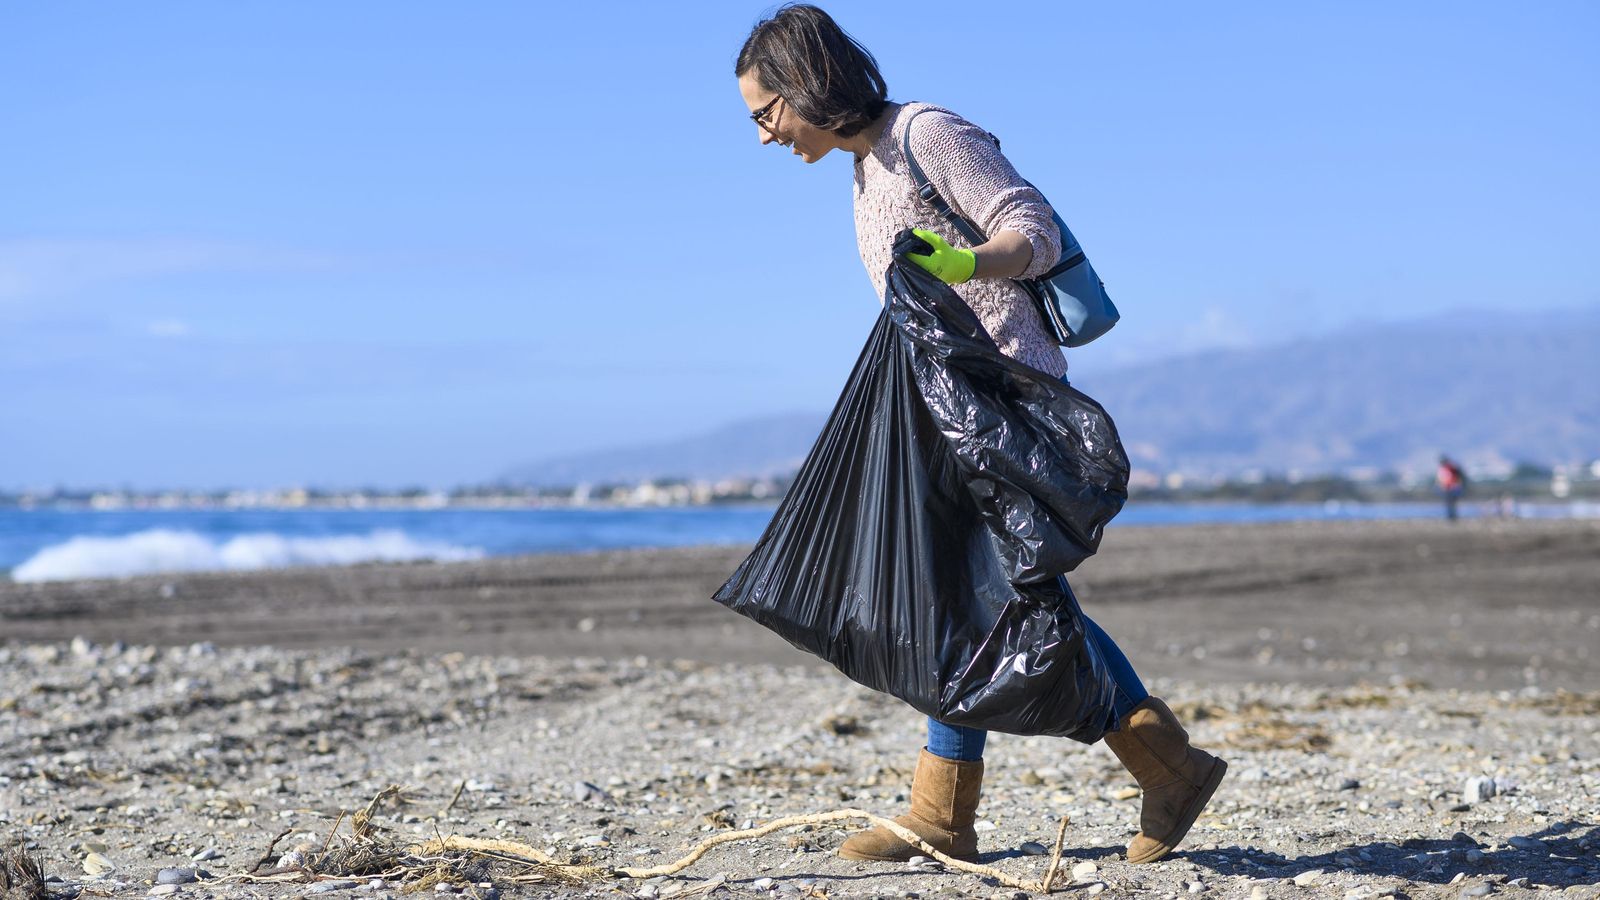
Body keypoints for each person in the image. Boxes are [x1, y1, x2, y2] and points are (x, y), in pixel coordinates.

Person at [734, 4, 1227, 866]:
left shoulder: (928, 132)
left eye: (766, 113)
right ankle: (960, 809)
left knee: (1010, 597)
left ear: (806, 84)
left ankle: (1158, 769)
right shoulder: (862, 171)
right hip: (946, 411)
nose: (765, 137)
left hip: (1004, 405)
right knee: (966, 600)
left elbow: (1030, 232)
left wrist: (963, 263)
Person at [1437, 455, 1467, 521]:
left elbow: (1458, 476)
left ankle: (1452, 517)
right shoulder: (1443, 469)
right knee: (1449, 504)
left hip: (1453, 488)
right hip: (1447, 488)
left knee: (1451, 503)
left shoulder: (1452, 468)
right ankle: (1450, 517)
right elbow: (1441, 480)